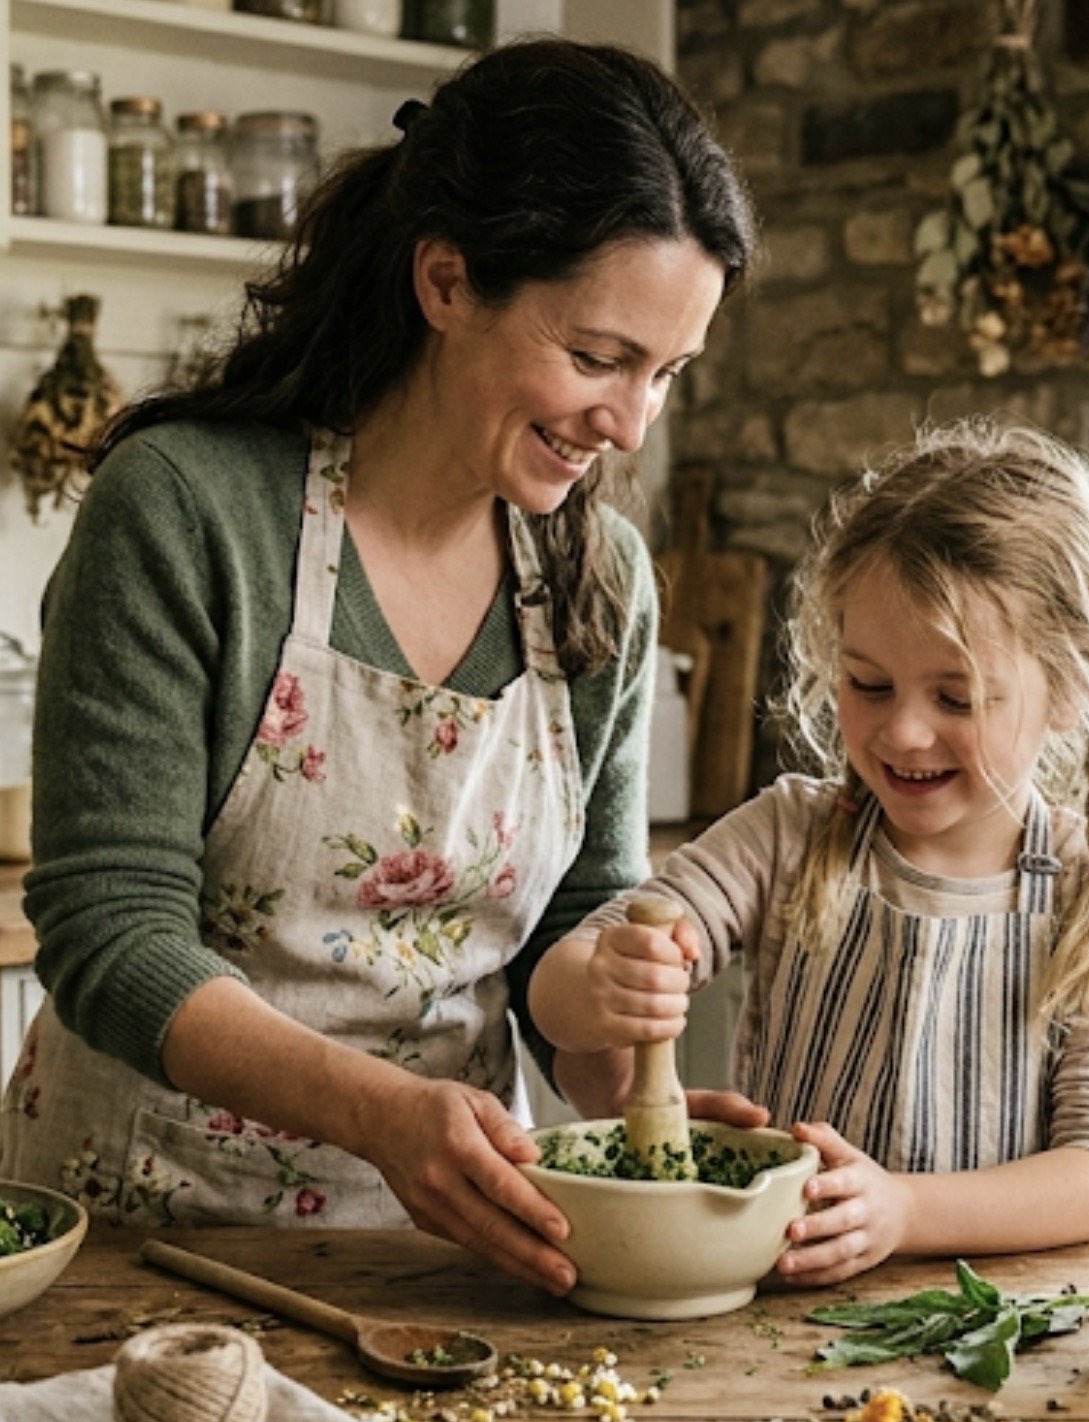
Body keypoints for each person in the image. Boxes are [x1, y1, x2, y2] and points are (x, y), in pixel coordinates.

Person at [0, 38, 761, 1296]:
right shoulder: (189, 511)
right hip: (142, 1244)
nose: (629, 425)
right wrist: (385, 1114)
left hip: (449, 1257)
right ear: (449, 280)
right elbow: (107, 930)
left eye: (667, 373)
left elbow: (567, 936)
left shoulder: (600, 576)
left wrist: (633, 1085)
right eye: (597, 357)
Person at [529, 417, 1089, 1287]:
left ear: (1074, 687)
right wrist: (604, 981)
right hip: (777, 1327)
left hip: (990, 1333)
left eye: (958, 696)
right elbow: (558, 993)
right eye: (868, 684)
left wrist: (906, 1211)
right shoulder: (785, 835)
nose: (904, 730)